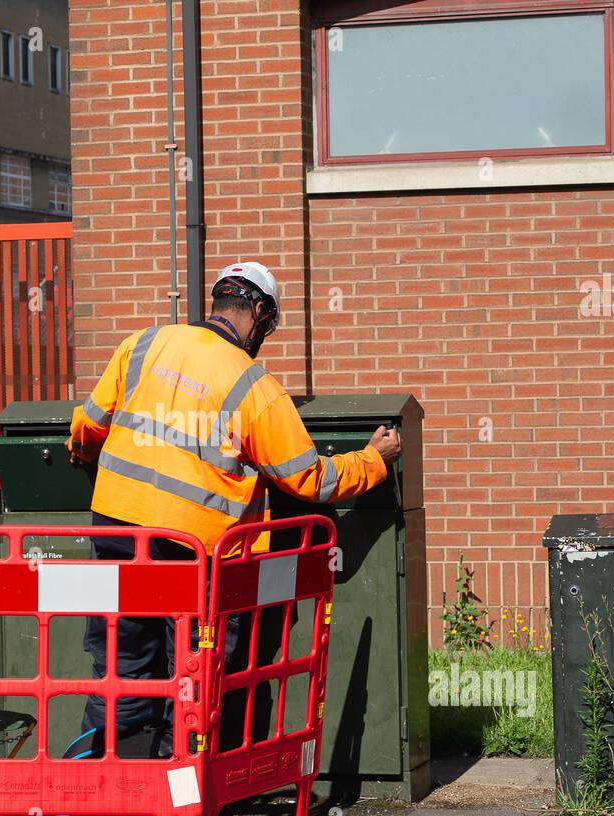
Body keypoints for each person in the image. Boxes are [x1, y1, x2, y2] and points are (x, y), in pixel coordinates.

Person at [65, 261, 402, 757]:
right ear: (261, 313)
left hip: (118, 533)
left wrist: (85, 450)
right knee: (197, 674)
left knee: (122, 666)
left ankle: (110, 796)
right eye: (270, 324)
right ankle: (186, 795)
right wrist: (374, 460)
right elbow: (308, 477)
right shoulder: (254, 387)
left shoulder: (141, 345)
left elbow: (87, 426)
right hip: (195, 554)